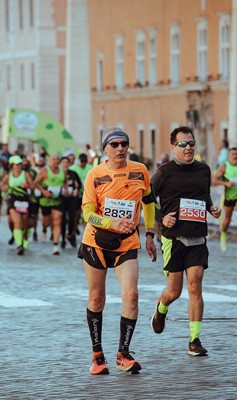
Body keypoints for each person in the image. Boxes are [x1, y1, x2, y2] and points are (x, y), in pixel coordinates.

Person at [79, 126, 157, 375]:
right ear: (105, 149)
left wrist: (150, 234)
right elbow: (87, 214)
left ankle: (123, 354)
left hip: (127, 243)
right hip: (96, 243)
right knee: (97, 298)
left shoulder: (140, 171)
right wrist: (111, 222)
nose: (120, 148)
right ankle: (97, 355)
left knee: (132, 296)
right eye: (114, 144)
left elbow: (148, 201)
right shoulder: (94, 175)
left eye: (124, 143)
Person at [150, 126, 221, 357]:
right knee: (175, 291)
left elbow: (204, 193)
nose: (188, 148)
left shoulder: (204, 170)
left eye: (191, 143)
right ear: (173, 147)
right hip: (173, 239)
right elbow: (146, 200)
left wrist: (211, 207)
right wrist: (162, 218)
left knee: (195, 286)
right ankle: (162, 307)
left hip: (197, 237)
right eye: (183, 144)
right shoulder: (163, 173)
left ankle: (194, 340)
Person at [212, 147, 237, 254]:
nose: (235, 156)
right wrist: (226, 184)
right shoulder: (224, 167)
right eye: (233, 154)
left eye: (236, 154)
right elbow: (214, 180)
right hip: (229, 196)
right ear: (229, 156)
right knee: (227, 219)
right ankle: (223, 237)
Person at [32, 154, 66, 255]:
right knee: (46, 222)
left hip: (58, 200)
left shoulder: (62, 171)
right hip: (46, 201)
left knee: (57, 220)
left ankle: (55, 246)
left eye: (57, 159)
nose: (55, 161)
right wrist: (43, 191)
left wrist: (66, 189)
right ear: (50, 160)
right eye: (54, 159)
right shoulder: (44, 171)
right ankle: (44, 228)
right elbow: (35, 183)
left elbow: (64, 181)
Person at [2, 155, 33, 255]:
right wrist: (4, 193)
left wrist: (27, 186)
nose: (19, 166)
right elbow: (2, 185)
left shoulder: (25, 174)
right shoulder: (8, 176)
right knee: (17, 223)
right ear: (12, 166)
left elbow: (32, 186)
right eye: (17, 164)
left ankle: (25, 239)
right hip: (13, 201)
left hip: (24, 201)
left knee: (24, 224)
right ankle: (19, 245)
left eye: (20, 164)